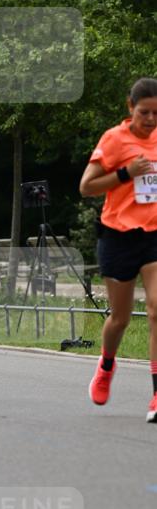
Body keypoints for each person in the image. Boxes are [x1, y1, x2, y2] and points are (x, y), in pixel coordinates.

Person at [80, 76, 157, 423]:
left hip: (154, 234)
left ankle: (156, 396)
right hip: (118, 235)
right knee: (120, 318)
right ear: (130, 108)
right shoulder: (114, 139)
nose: (151, 120)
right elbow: (87, 187)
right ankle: (107, 364)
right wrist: (126, 174)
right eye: (144, 113)